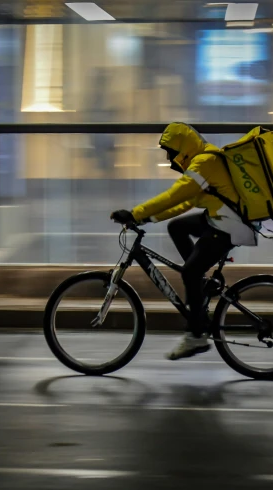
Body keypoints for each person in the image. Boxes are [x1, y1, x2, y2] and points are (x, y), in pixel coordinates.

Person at [110, 123, 257, 361]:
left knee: (189, 272)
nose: (170, 159)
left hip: (228, 226)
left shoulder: (204, 162)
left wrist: (135, 213)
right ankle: (198, 292)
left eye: (171, 152)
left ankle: (197, 336)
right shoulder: (204, 160)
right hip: (219, 219)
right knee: (177, 227)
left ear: (183, 148)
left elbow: (174, 195)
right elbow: (184, 203)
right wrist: (148, 217)